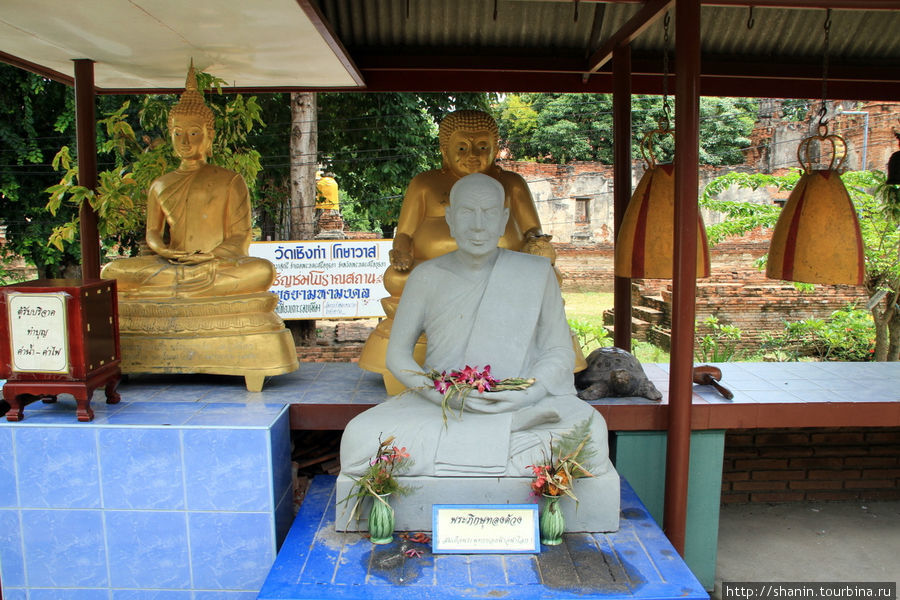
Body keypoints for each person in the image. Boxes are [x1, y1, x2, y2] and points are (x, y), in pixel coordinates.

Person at [340, 173, 612, 477]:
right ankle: (510, 457)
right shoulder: (425, 277)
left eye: (490, 213)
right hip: (441, 406)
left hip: (519, 403)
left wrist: (527, 393)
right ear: (451, 218)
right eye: (468, 212)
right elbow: (398, 357)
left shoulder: (535, 274)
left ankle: (484, 445)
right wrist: (439, 393)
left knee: (592, 434)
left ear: (505, 218)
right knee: (358, 439)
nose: (479, 225)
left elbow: (559, 351)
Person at [101, 65, 275, 298]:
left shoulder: (230, 180)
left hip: (215, 264)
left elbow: (240, 236)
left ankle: (178, 289)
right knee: (111, 272)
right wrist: (163, 250)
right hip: (173, 264)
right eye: (177, 133)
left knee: (263, 270)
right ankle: (188, 287)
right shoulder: (160, 184)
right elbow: (153, 231)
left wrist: (211, 256)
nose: (185, 141)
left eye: (194, 133)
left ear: (209, 136)